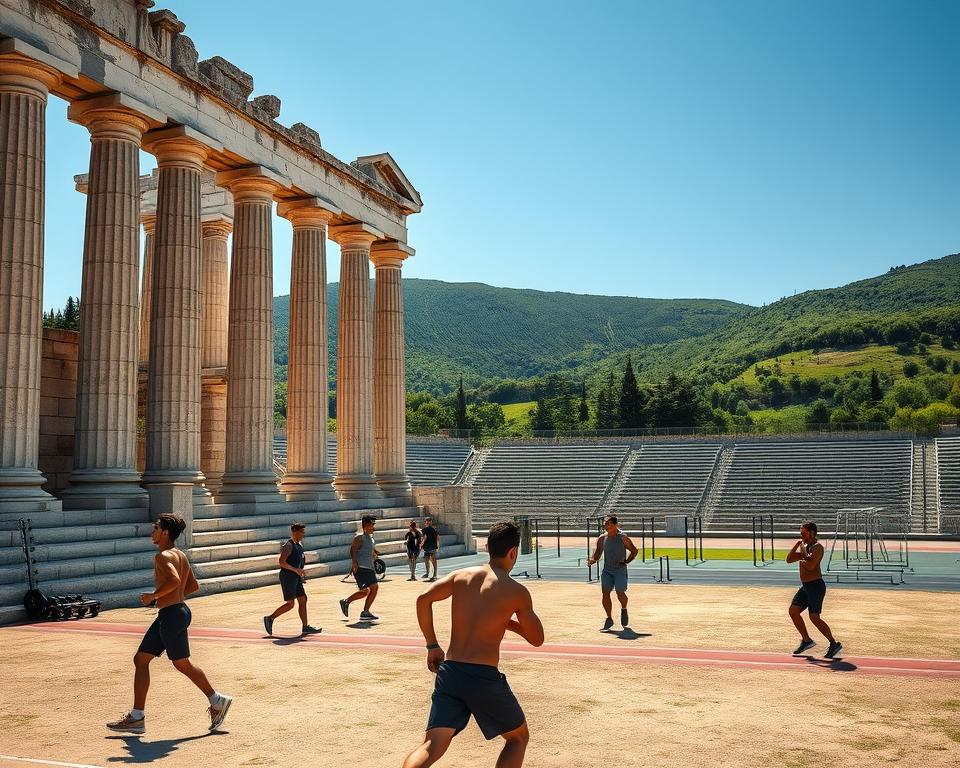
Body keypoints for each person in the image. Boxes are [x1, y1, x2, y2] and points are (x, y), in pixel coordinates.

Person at [402, 520, 544, 768]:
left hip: (451, 672)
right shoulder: (516, 591)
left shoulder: (461, 576)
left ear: (487, 547)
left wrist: (432, 645)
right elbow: (537, 639)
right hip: (483, 676)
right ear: (513, 552)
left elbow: (423, 599)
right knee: (518, 738)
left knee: (433, 745)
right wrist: (508, 622)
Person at [106, 514, 232, 734]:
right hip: (175, 612)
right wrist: (170, 598)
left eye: (156, 527)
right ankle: (137, 717)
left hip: (172, 614)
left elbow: (174, 581)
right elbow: (192, 586)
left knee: (181, 664)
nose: (152, 531)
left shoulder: (163, 556)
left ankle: (217, 700)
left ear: (164, 532)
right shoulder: (180, 554)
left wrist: (154, 596)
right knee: (142, 659)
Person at [786, 521, 842, 659]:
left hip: (816, 586)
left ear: (811, 533)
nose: (801, 535)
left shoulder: (817, 548)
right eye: (800, 533)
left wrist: (803, 552)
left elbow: (810, 566)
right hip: (805, 587)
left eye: (803, 533)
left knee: (814, 617)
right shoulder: (805, 547)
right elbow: (789, 559)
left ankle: (833, 643)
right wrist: (796, 547)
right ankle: (806, 640)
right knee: (793, 611)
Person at [263, 522, 320, 636]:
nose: (303, 534)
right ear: (295, 532)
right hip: (288, 577)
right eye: (301, 532)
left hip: (296, 577)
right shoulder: (288, 545)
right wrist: (295, 570)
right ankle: (270, 618)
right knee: (290, 604)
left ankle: (305, 626)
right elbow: (281, 562)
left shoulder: (299, 545)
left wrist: (300, 571)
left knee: (303, 599)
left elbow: (299, 561)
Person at [587, 515, 638, 630]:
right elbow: (598, 554)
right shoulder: (602, 538)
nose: (606, 526)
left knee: (620, 593)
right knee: (605, 593)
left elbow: (634, 551)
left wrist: (626, 561)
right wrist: (592, 560)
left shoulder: (623, 538)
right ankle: (609, 618)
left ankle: (624, 609)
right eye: (605, 524)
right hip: (607, 570)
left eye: (609, 523)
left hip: (620, 570)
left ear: (615, 525)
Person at [339, 515, 381, 621]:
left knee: (373, 589)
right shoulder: (359, 537)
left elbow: (369, 550)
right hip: (361, 568)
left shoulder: (371, 539)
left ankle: (364, 611)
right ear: (366, 525)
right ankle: (347, 602)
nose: (374, 526)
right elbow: (352, 550)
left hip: (369, 567)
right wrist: (354, 563)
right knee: (366, 590)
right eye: (372, 524)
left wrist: (375, 553)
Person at [421, 516, 440, 581]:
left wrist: (421, 545)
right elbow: (437, 538)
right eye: (427, 521)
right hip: (428, 547)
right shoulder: (425, 530)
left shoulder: (433, 530)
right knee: (427, 560)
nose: (428, 522)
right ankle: (428, 573)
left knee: (432, 561)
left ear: (430, 522)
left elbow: (425, 538)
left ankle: (434, 574)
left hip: (431, 547)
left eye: (429, 521)